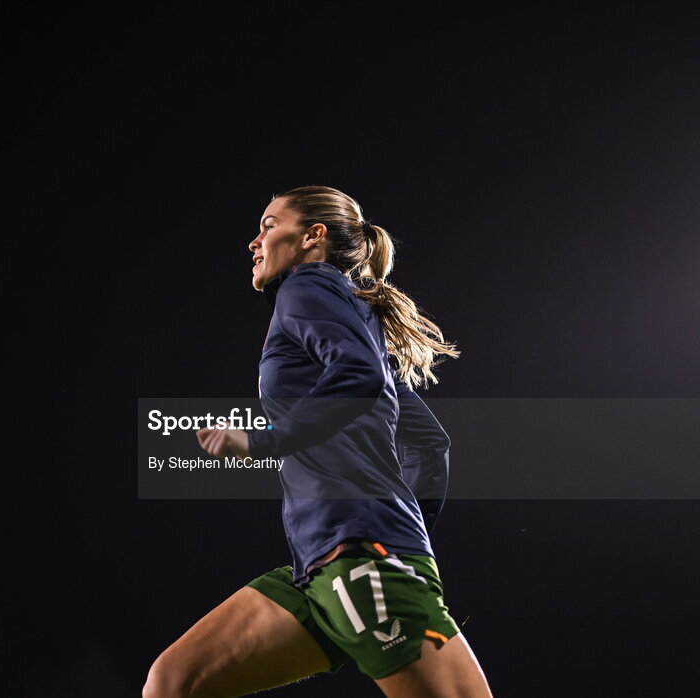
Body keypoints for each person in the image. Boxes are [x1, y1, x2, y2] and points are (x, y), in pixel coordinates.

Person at [142, 186, 493, 697]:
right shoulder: (352, 313)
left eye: (267, 224)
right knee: (174, 681)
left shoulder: (304, 287)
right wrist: (406, 539)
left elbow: (359, 376)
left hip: (356, 553)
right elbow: (429, 443)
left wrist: (263, 440)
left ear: (313, 236)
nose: (254, 241)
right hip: (322, 565)